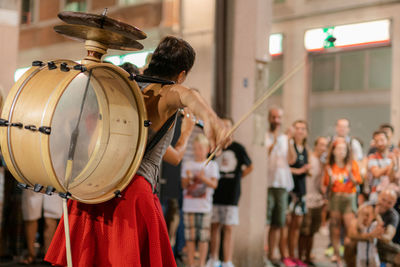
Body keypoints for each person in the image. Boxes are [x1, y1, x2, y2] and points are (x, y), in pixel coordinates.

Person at [45, 36, 231, 267]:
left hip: (95, 185)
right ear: (181, 74)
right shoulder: (166, 93)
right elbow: (188, 95)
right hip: (131, 195)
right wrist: (211, 119)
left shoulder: (124, 86)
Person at [207, 118, 253, 267]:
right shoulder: (214, 147)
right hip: (215, 192)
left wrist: (238, 178)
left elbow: (250, 166)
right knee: (214, 225)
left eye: (227, 126)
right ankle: (213, 258)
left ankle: (227, 261)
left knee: (228, 227)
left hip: (232, 193)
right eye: (222, 126)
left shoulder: (238, 148)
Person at [322, 137, 362, 267]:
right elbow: (326, 185)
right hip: (335, 198)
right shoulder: (330, 166)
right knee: (335, 228)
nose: (341, 151)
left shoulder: (352, 164)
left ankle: (349, 257)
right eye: (338, 148)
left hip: (349, 197)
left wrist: (350, 173)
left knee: (350, 229)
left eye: (344, 149)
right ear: (333, 151)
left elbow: (358, 182)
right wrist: (331, 180)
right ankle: (337, 257)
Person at [181, 133, 219, 267]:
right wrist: (189, 178)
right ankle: (191, 264)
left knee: (203, 238)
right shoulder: (187, 164)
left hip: (204, 207)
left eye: (201, 148)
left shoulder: (212, 165)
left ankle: (202, 264)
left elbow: (214, 184)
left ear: (207, 149)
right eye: (195, 148)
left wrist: (203, 178)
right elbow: (183, 185)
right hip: (189, 206)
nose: (198, 151)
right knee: (190, 238)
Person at [265, 107, 296, 267]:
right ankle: (264, 253)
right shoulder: (265, 136)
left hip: (282, 184)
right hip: (268, 184)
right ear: (269, 118)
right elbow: (265, 155)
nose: (277, 120)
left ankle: (272, 254)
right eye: (274, 117)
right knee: (267, 221)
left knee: (278, 222)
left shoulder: (286, 139)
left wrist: (289, 141)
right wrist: (276, 140)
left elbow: (292, 160)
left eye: (279, 118)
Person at [298, 136, 328, 266]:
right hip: (307, 198)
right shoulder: (309, 157)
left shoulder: (323, 162)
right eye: (321, 144)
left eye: (325, 145)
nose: (323, 148)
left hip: (318, 200)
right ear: (315, 145)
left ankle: (308, 256)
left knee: (312, 231)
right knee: (304, 230)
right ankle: (300, 257)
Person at [285, 120, 309, 267]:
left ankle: (294, 256)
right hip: (290, 190)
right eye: (298, 128)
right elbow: (286, 164)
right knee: (288, 225)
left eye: (303, 128)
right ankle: (287, 255)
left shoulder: (305, 148)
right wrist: (299, 171)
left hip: (301, 190)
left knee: (297, 226)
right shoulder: (289, 145)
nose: (300, 131)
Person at [20, 188, 62, 264]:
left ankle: (48, 255)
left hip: (53, 178)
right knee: (31, 213)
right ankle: (31, 254)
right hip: (32, 177)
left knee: (52, 214)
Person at [367, 130, 397, 202]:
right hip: (376, 195)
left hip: (392, 195)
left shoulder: (394, 157)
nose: (380, 143)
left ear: (388, 140)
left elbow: (393, 178)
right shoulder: (372, 157)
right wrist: (392, 164)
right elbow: (376, 173)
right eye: (376, 141)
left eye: (382, 140)